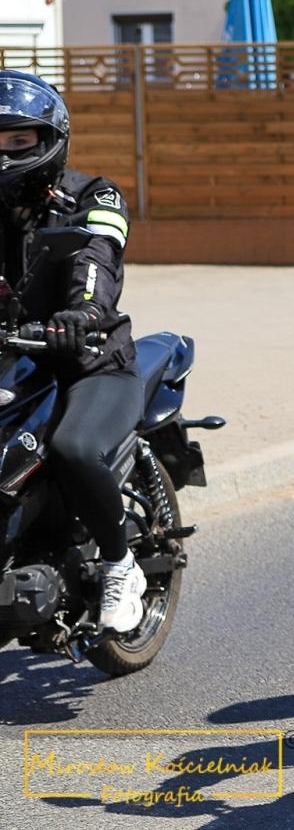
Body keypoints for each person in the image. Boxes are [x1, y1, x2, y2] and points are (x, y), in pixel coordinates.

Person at [0, 71, 144, 633]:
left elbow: (97, 257)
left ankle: (119, 562)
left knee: (74, 448)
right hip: (15, 359)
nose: (6, 153)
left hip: (90, 359)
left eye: (19, 141)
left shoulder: (94, 195)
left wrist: (82, 313)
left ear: (49, 140)